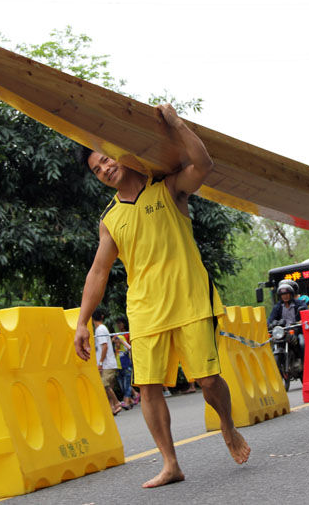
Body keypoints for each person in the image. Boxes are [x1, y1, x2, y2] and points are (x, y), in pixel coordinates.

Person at [74, 104, 250, 488]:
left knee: (206, 380)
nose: (104, 169)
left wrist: (176, 124)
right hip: (145, 310)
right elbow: (98, 271)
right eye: (96, 169)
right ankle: (171, 463)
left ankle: (227, 424)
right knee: (148, 388)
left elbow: (203, 164)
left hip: (189, 300)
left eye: (106, 159)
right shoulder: (110, 219)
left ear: (120, 154)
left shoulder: (168, 186)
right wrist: (82, 321)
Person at [93, 310, 123, 416]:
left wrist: (100, 362)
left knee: (104, 385)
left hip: (106, 363)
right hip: (109, 362)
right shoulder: (103, 328)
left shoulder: (100, 330)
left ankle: (117, 403)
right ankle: (111, 409)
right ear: (102, 316)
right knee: (107, 387)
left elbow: (104, 346)